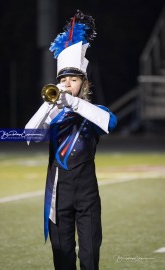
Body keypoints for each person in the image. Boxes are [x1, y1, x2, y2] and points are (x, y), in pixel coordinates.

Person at [25, 10, 117, 270]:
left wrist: (73, 102)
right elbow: (29, 135)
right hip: (58, 194)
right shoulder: (53, 114)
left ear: (84, 83)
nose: (66, 85)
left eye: (73, 80)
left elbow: (109, 123)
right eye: (62, 80)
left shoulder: (95, 112)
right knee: (62, 255)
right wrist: (48, 104)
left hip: (87, 194)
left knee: (89, 255)